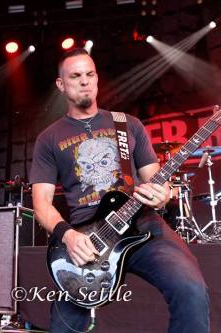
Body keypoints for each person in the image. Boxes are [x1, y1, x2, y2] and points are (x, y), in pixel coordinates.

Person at [30, 48, 209, 332]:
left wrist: (164, 194)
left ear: (97, 79)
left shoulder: (128, 124)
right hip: (88, 239)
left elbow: (154, 178)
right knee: (63, 325)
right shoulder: (49, 138)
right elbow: (41, 203)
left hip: (143, 224)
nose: (84, 81)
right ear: (61, 85)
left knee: (190, 288)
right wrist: (69, 236)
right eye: (75, 76)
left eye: (90, 75)